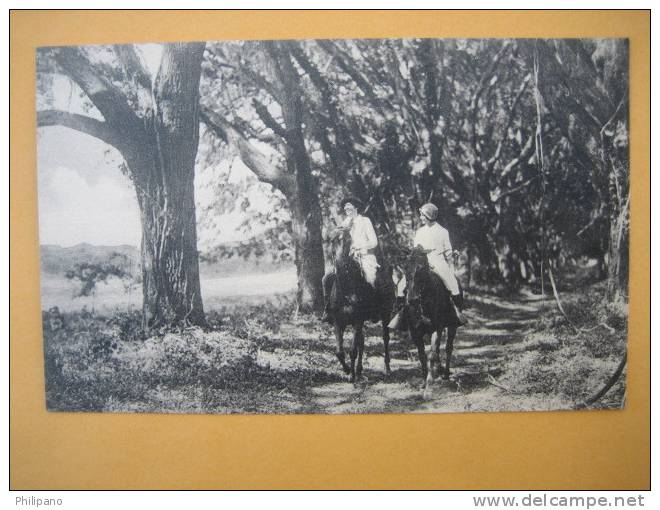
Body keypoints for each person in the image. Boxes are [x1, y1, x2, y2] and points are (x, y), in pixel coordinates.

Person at [321, 197, 379, 323]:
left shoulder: (365, 221)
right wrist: (332, 229)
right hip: (345, 259)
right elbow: (332, 238)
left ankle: (374, 309)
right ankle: (328, 309)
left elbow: (374, 242)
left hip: (363, 256)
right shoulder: (344, 222)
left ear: (356, 207)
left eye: (349, 206)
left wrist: (359, 246)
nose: (347, 209)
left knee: (371, 278)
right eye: (345, 207)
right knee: (326, 278)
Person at [413, 203, 467, 325]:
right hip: (421, 263)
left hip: (437, 262)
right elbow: (415, 250)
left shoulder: (443, 231)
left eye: (422, 215)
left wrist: (452, 254)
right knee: (403, 285)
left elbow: (447, 251)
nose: (420, 217)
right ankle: (401, 311)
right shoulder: (420, 231)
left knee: (452, 282)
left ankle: (457, 310)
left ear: (429, 216)